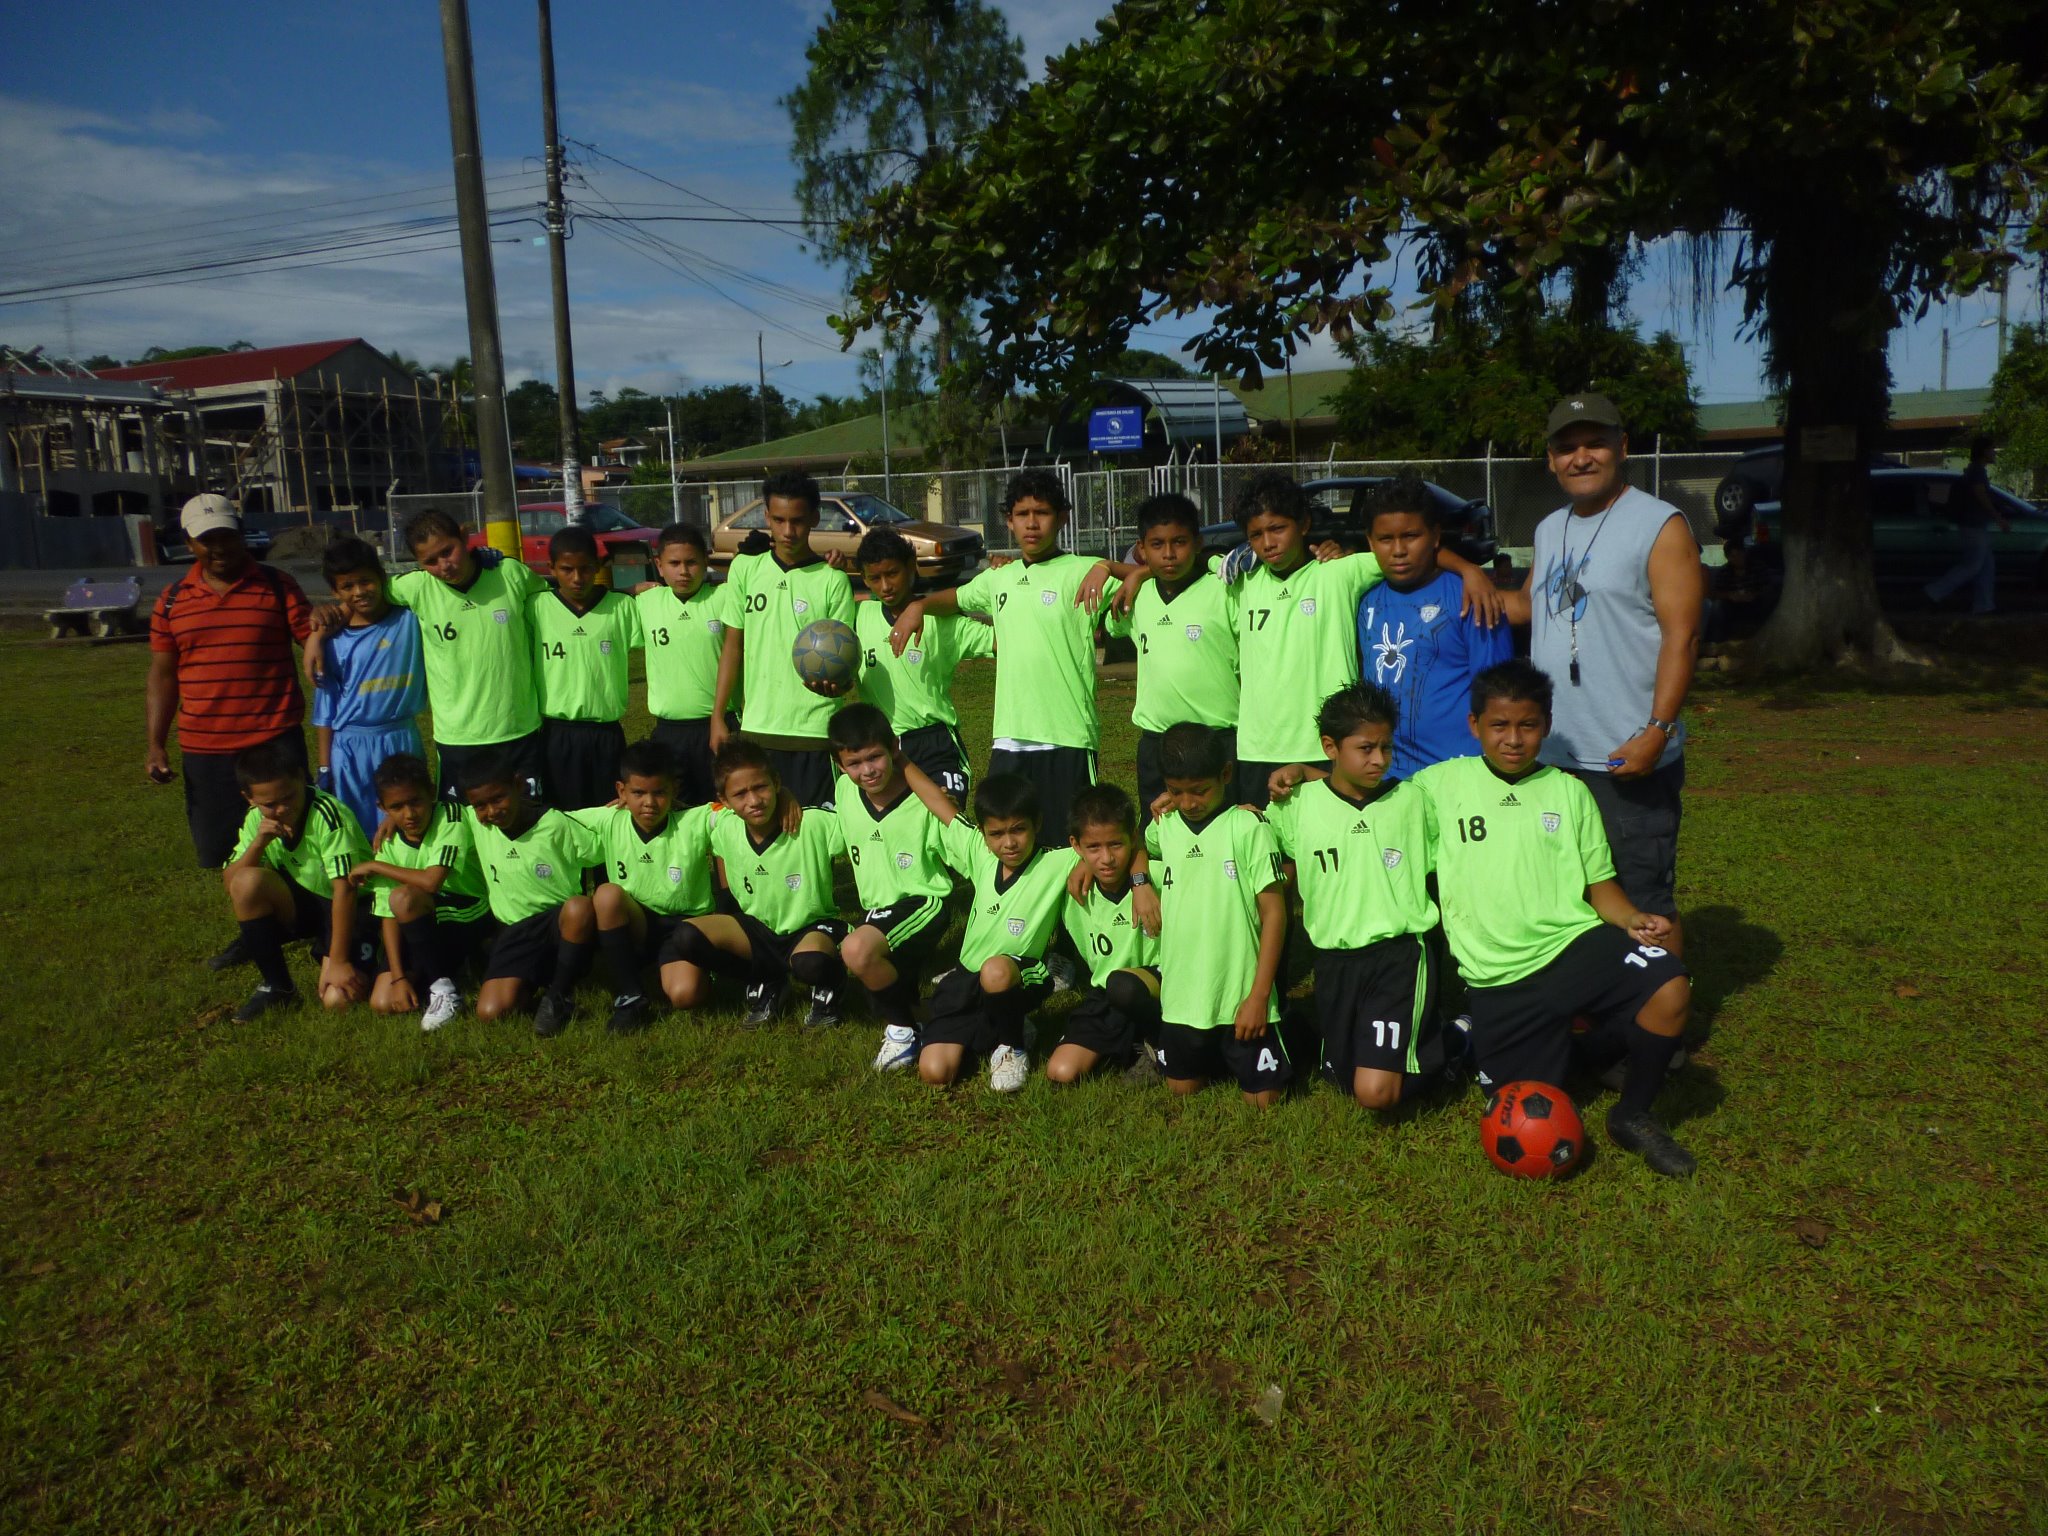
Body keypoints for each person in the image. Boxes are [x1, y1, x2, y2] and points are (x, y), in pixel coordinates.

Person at [1414, 660, 1695, 1177]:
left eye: (1527, 725)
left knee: (1670, 986)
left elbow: (1599, 886)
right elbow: (1372, 803)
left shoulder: (1569, 791)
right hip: (1499, 977)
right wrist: (1307, 777)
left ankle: (1633, 1115)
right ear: (1475, 725)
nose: (1514, 739)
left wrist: (1631, 918)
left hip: (1573, 946)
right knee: (1519, 1102)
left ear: (1545, 724)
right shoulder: (1438, 786)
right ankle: (1553, 1040)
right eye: (1500, 726)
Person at [1502, 394, 1705, 952]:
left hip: (1626, 755)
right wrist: (1448, 569)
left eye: (1593, 444)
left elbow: (1682, 637)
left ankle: (1660, 1028)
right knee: (1571, 891)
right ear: (1550, 459)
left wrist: (1656, 730)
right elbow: (1526, 608)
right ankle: (1597, 1014)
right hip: (1554, 755)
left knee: (1643, 897)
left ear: (1622, 447)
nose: (1580, 457)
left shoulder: (1659, 525)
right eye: (1566, 448)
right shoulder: (1550, 529)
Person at [1229, 471, 1502, 808]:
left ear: (1303, 524)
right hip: (1257, 749)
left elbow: (1404, 551)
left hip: (1327, 745)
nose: (1268, 542)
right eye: (1255, 535)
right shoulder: (1240, 582)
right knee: (1266, 845)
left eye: (1277, 529)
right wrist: (1141, 569)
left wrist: (1468, 569)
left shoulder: (1339, 572)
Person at [888, 468, 1119, 838]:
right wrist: (918, 607)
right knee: (1008, 839)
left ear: (1061, 517)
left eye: (1041, 513)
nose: (1032, 524)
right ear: (1008, 521)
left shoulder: (1082, 571)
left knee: (1069, 841)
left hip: (1068, 734)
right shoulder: (999, 579)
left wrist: (1106, 565)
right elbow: (957, 598)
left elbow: (1149, 575)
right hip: (1009, 736)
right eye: (1022, 514)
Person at [146, 494, 318, 971]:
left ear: (241, 535)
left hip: (272, 739)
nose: (219, 547)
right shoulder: (173, 600)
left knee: (293, 834)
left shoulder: (277, 585)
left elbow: (313, 639)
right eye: (207, 540)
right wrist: (156, 744)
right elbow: (163, 675)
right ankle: (255, 930)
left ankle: (307, 917)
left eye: (226, 535)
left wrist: (326, 622)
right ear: (190, 543)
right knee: (227, 847)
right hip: (207, 748)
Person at [1264, 683, 1444, 1111]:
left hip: (1398, 958)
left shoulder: (1414, 801)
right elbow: (1255, 847)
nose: (1379, 759)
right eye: (1365, 748)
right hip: (1333, 961)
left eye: (1385, 747)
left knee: (1375, 1093)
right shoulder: (1297, 806)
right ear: (1330, 747)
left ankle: (1451, 1040)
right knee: (1342, 1080)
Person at [902, 768, 1081, 1092]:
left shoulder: (1057, 862)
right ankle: (1005, 1025)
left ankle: (1012, 1046)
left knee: (995, 970)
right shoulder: (980, 855)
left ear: (1037, 824)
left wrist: (1139, 882)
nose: (1009, 842)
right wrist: (899, 758)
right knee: (934, 1071)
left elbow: (1115, 840)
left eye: (1019, 830)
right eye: (997, 834)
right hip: (965, 980)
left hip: (1019, 974)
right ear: (983, 834)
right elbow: (935, 801)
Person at [1146, 723, 1291, 1105]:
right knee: (1180, 1088)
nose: (1189, 801)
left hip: (1242, 995)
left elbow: (1275, 913)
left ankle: (1291, 1029)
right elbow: (1136, 846)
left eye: (1200, 790)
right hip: (1183, 999)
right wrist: (1139, 883)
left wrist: (1259, 997)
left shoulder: (1247, 826)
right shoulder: (1164, 825)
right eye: (1176, 791)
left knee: (1263, 1100)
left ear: (1226, 775)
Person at [668, 738, 850, 1027]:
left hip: (810, 927)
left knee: (810, 964)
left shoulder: (812, 823)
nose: (753, 800)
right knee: (686, 937)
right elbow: (673, 812)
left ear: (776, 782)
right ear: (724, 801)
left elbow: (861, 822)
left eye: (761, 787)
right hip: (758, 930)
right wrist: (630, 805)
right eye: (740, 794)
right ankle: (765, 977)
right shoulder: (724, 825)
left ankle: (832, 980)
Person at [382, 508, 549, 804]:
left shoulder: (510, 573)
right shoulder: (417, 587)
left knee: (528, 820)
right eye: (430, 561)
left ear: (464, 536)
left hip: (517, 728)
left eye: (448, 551)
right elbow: (364, 593)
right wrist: (325, 622)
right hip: (457, 737)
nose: (443, 565)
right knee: (465, 829)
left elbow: (557, 605)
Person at [710, 471, 856, 807]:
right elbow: (733, 646)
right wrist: (718, 715)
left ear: (815, 518)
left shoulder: (832, 580)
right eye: (779, 520)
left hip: (816, 733)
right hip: (758, 729)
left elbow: (843, 659)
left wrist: (840, 684)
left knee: (814, 842)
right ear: (766, 517)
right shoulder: (745, 569)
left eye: (798, 521)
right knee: (761, 835)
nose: (788, 531)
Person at [1355, 475, 1512, 780]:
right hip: (1388, 780)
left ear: (1435, 536)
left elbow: (1503, 697)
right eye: (1386, 539)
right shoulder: (1367, 602)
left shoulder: (1472, 598)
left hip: (1458, 776)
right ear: (1370, 542)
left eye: (1411, 536)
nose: (1398, 550)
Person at [828, 705, 959, 1073]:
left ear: (894, 749)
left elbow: (968, 854)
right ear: (840, 766)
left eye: (874, 757)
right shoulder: (843, 792)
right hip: (877, 911)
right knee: (880, 984)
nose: (867, 770)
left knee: (857, 951)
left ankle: (902, 1033)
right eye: (854, 763)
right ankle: (924, 1016)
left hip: (924, 901)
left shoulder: (925, 800)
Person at [219, 738, 374, 1023]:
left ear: (302, 778)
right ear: (249, 798)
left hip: (354, 908)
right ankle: (277, 986)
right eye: (270, 804)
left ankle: (343, 955)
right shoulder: (256, 819)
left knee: (337, 1000)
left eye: (289, 796)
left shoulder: (329, 816)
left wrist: (338, 961)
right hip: (308, 902)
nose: (281, 809)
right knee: (246, 882)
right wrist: (258, 844)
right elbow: (231, 883)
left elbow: (346, 890)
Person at [1100, 493, 1240, 810]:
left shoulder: (1223, 588)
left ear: (1198, 543)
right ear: (1141, 549)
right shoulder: (1135, 596)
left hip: (1216, 737)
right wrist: (1110, 568)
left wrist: (1137, 571)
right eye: (1157, 545)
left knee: (1224, 830)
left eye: (1179, 542)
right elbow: (1112, 624)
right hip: (1156, 740)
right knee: (1158, 833)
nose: (1169, 554)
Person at [573, 740, 719, 1036]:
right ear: (621, 792)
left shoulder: (694, 819)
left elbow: (734, 808)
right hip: (636, 922)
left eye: (659, 793)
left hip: (684, 926)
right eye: (638, 793)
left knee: (684, 995)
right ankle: (630, 996)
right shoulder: (609, 819)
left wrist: (782, 796)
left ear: (675, 790)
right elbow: (550, 823)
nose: (649, 803)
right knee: (606, 894)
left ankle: (702, 967)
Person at [459, 749, 602, 1038]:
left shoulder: (555, 824)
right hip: (514, 933)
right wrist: (390, 821)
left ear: (519, 784)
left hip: (559, 927)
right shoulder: (476, 823)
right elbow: (438, 816)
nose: (491, 811)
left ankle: (559, 995)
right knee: (490, 1012)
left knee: (579, 906)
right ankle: (533, 986)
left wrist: (625, 808)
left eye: (498, 798)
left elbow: (603, 834)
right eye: (481, 805)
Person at [346, 752, 490, 1031]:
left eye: (415, 802)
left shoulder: (450, 818)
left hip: (468, 913)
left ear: (431, 794)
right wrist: (398, 977)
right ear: (383, 807)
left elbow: (432, 882)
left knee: (405, 897)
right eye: (397, 807)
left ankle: (443, 989)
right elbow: (388, 914)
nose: (409, 814)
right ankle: (441, 972)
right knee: (382, 1001)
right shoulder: (389, 841)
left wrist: (377, 866)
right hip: (421, 918)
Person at [852, 527, 993, 803]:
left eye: (892, 573)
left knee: (945, 822)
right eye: (875, 578)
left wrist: (1004, 581)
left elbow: (1002, 641)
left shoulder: (943, 623)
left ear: (911, 567)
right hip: (880, 747)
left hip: (934, 743)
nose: (885, 586)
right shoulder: (857, 618)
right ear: (865, 580)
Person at [1045, 784, 1163, 1085]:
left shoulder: (1157, 876)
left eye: (1116, 845)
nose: (1107, 858)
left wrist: (1140, 881)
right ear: (1076, 845)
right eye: (1094, 848)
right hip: (1106, 993)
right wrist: (1083, 862)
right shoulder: (1068, 879)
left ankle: (1159, 1043)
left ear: (1132, 837)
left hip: (1162, 986)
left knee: (1124, 986)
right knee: (1061, 1071)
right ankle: (1129, 1041)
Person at [309, 536, 425, 836]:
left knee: (409, 820)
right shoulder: (333, 641)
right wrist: (324, 767)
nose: (360, 592)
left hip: (400, 737)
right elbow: (325, 710)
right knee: (356, 825)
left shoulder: (410, 618)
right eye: (348, 586)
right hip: (350, 747)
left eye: (366, 581)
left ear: (381, 577)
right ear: (335, 592)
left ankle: (408, 880)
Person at [531, 525, 642, 811]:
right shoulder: (536, 606)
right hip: (557, 733)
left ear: (598, 567)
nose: (577, 578)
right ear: (551, 568)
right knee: (562, 816)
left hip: (606, 734)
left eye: (585, 569)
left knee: (610, 814)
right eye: (567, 569)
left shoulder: (621, 606)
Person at [636, 523, 733, 807]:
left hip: (718, 727)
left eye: (692, 562)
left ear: (706, 561)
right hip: (669, 732)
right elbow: (603, 601)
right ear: (659, 565)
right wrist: (630, 588)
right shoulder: (646, 602)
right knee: (674, 815)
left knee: (724, 812)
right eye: (674, 563)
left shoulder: (724, 597)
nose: (683, 571)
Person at [1924, 436, 2012, 615]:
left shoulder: (1976, 470)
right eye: (1992, 449)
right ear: (1984, 451)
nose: (1994, 453)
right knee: (1972, 565)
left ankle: (1984, 605)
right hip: (1973, 525)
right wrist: (1998, 518)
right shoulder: (1977, 472)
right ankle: (1933, 592)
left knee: (1986, 567)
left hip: (1977, 525)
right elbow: (1981, 495)